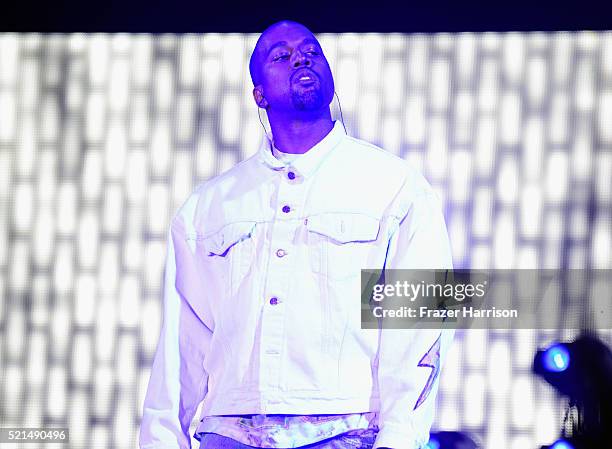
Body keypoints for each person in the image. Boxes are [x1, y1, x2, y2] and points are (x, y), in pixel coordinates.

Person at [139, 20, 454, 449]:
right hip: (228, 433)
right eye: (281, 56)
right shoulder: (207, 207)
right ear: (259, 95)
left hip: (346, 431)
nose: (300, 57)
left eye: (311, 50)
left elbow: (417, 327)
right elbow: (182, 347)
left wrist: (400, 440)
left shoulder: (394, 187)